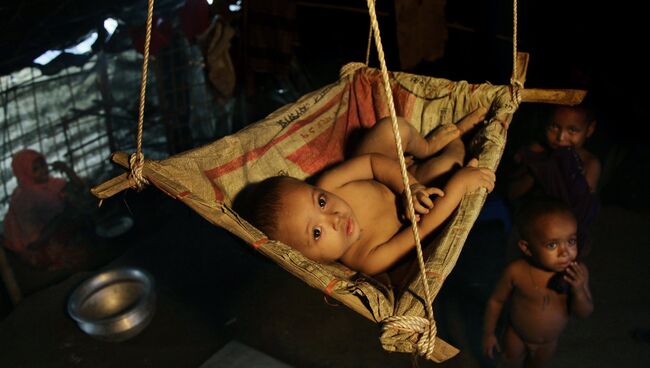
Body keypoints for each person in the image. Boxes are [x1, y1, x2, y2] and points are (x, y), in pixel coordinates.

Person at [244, 108, 495, 275]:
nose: (333, 218)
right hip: (418, 198)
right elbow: (424, 230)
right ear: (311, 261)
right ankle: (458, 140)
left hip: (396, 174)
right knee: (448, 166)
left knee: (391, 127)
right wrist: (458, 185)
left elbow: (372, 163)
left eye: (320, 202)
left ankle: (427, 146)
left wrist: (409, 186)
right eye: (317, 232)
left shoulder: (329, 183)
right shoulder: (366, 259)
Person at [482, 197, 594, 368]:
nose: (565, 252)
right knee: (509, 361)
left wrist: (578, 290)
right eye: (552, 245)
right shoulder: (517, 271)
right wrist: (488, 333)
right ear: (526, 248)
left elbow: (584, 313)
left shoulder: (577, 274)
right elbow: (496, 301)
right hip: (517, 335)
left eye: (571, 241)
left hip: (548, 342)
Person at [507, 103, 601, 255]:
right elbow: (512, 193)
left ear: (589, 129)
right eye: (554, 127)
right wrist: (536, 170)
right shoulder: (537, 153)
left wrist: (564, 168)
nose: (561, 137)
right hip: (534, 224)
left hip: (565, 233)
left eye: (572, 130)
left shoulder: (590, 163)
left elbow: (583, 209)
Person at [2, 149, 95, 270]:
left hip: (50, 232)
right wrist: (63, 216)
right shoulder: (26, 197)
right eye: (35, 169)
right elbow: (34, 243)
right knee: (82, 254)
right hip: (34, 248)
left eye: (43, 165)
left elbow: (79, 187)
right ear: (24, 173)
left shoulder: (48, 183)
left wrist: (67, 169)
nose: (43, 170)